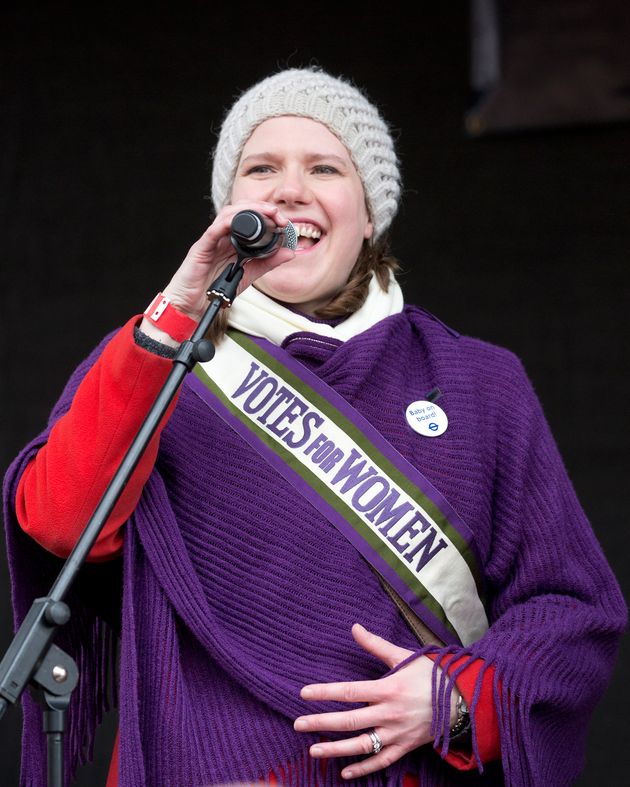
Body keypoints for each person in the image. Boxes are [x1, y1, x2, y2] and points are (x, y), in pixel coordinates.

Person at [3, 66, 626, 787]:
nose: (289, 189)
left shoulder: (481, 381)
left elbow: (574, 610)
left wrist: (453, 701)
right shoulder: (161, 359)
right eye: (261, 168)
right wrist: (176, 311)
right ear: (230, 207)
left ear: (370, 214)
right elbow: (57, 522)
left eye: (324, 167)